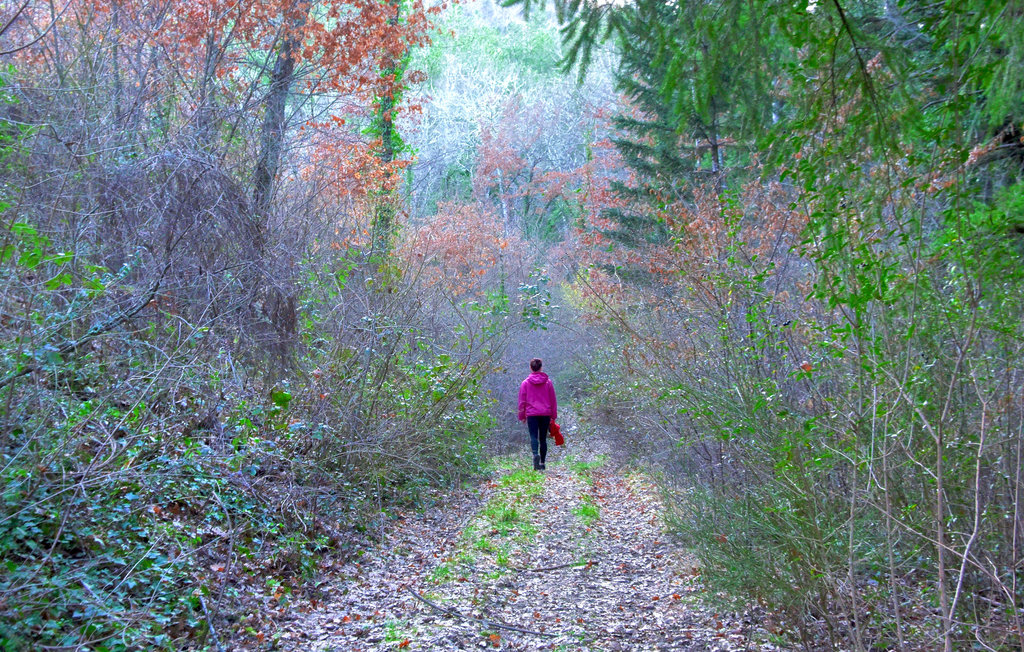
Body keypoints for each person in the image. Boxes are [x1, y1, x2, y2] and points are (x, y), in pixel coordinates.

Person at [517, 358, 557, 471]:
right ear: (541, 367)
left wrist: (522, 416)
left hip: (532, 414)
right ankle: (542, 463)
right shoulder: (548, 383)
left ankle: (535, 455)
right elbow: (553, 400)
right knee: (543, 438)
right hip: (545, 414)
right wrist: (553, 416)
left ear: (531, 368)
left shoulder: (525, 383)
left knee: (533, 436)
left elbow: (522, 401)